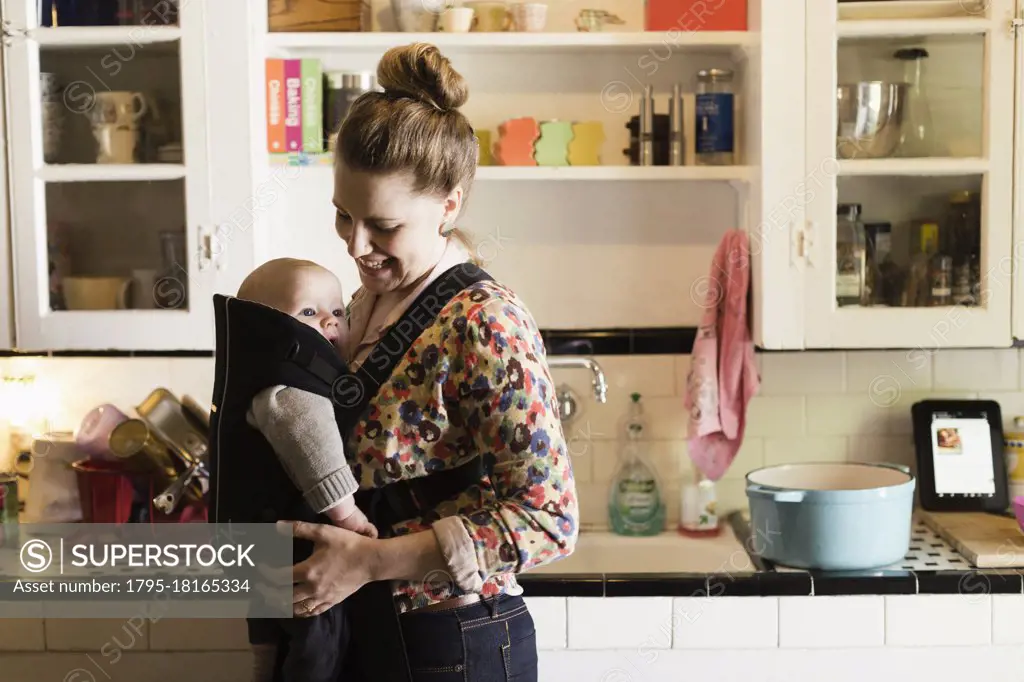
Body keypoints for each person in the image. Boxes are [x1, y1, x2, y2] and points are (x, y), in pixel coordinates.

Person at [278, 42, 579, 681]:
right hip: (367, 630)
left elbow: (550, 520)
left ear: (449, 205)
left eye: (382, 226)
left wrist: (368, 561)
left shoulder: (484, 322)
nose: (356, 245)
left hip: (454, 643)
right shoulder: (365, 302)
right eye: (343, 215)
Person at [232, 257, 378, 682]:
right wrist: (348, 516)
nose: (330, 322)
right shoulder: (289, 386)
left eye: (338, 311)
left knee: (275, 641)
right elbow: (317, 453)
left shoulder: (273, 377)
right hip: (298, 548)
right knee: (319, 642)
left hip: (264, 546)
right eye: (309, 312)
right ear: (268, 327)